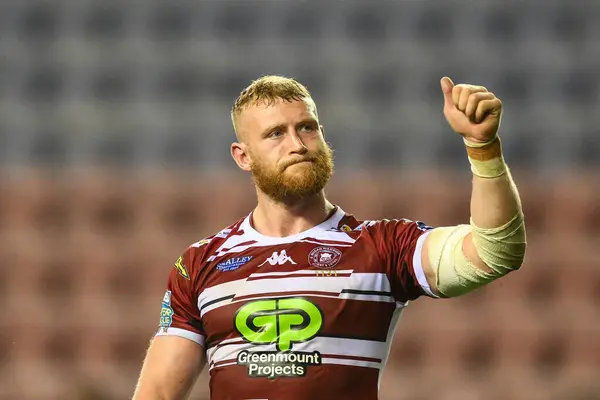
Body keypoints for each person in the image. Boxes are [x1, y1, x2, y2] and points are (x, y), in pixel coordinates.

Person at [132, 75, 527, 400]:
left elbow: (495, 251)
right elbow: (158, 394)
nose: (298, 145)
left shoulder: (381, 246)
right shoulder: (201, 263)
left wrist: (483, 147)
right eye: (275, 134)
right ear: (242, 156)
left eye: (307, 127)